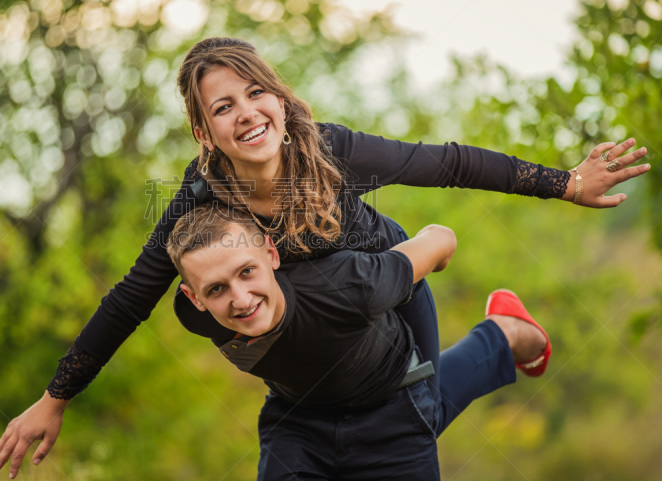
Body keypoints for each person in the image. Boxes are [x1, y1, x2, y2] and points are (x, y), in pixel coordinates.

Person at [0, 37, 649, 479]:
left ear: (278, 97)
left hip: (391, 280)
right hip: (311, 340)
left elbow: (446, 163)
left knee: (402, 404)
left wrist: (563, 182)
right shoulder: (200, 202)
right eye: (224, 107)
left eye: (256, 94)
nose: (247, 114)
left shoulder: (329, 150)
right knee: (339, 385)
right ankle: (499, 338)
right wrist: (57, 395)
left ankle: (499, 339)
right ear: (204, 132)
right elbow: (132, 297)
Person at [173, 203, 545, 479]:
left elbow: (440, 239)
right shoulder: (201, 317)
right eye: (218, 289)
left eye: (247, 272)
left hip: (392, 407)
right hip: (297, 420)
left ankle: (503, 332)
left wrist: (424, 261)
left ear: (271, 255)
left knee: (428, 404)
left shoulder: (349, 286)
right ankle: (502, 335)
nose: (240, 299)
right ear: (195, 299)